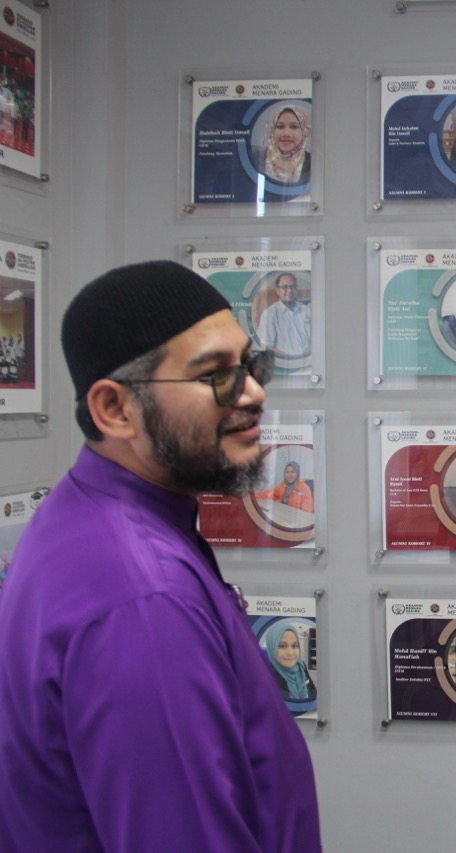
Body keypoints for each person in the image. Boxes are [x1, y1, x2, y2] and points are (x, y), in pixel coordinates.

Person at [0, 260, 321, 850]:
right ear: (115, 410)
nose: (254, 392)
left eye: (251, 365)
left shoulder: (90, 517)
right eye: (215, 375)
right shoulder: (142, 600)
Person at [255, 272, 312, 361]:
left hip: (310, 362)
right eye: (285, 287)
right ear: (277, 291)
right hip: (285, 363)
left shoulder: (307, 310)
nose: (289, 290)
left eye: (292, 287)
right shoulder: (270, 314)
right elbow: (265, 346)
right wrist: (290, 358)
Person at [257, 104, 311, 185]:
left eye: (294, 127)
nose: (286, 133)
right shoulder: (257, 158)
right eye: (280, 127)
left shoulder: (314, 163)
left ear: (304, 132)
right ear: (273, 130)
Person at [265, 621, 316, 705]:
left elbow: (313, 694)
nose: (290, 653)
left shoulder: (300, 666)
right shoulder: (265, 676)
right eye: (282, 646)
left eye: (294, 646)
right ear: (272, 647)